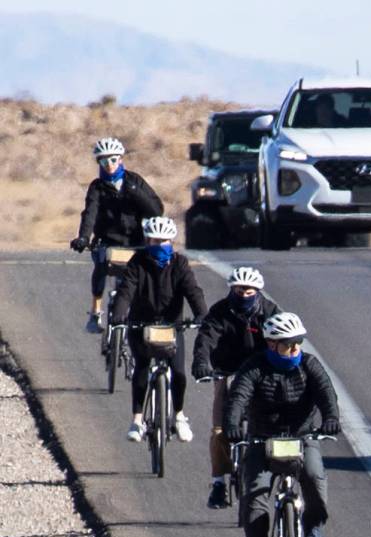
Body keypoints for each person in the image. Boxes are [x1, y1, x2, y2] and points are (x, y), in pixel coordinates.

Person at [223, 312, 341, 537]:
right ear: (271, 344)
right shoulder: (253, 368)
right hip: (262, 440)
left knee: (313, 476)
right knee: (254, 498)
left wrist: (331, 419)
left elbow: (326, 394)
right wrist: (232, 425)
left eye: (298, 343)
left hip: (302, 436)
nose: (294, 349)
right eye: (288, 344)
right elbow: (238, 397)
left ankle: (312, 525)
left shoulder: (310, 365)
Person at [111, 216, 208, 443]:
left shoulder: (180, 264)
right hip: (141, 324)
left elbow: (193, 290)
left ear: (171, 242)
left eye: (164, 241)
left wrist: (202, 314)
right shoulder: (137, 262)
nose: (159, 245)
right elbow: (127, 290)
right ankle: (136, 420)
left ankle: (179, 415)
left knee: (179, 372)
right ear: (148, 241)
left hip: (171, 325)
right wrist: (119, 314)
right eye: (155, 241)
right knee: (142, 369)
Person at [191, 267, 280, 509]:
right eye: (239, 290)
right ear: (232, 289)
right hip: (227, 372)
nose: (243, 295)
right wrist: (201, 362)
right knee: (220, 430)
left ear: (257, 291)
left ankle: (275, 476)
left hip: (261, 375)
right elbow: (206, 337)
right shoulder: (221, 311)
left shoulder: (270, 312)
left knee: (272, 427)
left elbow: (283, 338)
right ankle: (219, 483)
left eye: (248, 291)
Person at [70, 138, 164, 334]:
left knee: (146, 275)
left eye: (113, 160)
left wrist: (134, 192)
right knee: (101, 266)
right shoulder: (97, 187)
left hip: (135, 241)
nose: (109, 165)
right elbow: (90, 213)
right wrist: (83, 238)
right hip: (107, 240)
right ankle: (95, 313)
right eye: (104, 162)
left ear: (120, 159)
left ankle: (149, 313)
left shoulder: (134, 181)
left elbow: (157, 210)